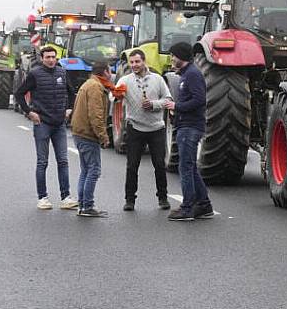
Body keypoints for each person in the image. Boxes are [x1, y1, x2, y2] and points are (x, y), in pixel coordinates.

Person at [14, 46, 78, 210]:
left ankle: (66, 197)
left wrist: (69, 108)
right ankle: (42, 198)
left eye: (53, 57)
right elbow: (19, 94)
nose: (51, 60)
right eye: (47, 57)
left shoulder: (62, 73)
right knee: (42, 162)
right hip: (42, 123)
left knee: (63, 161)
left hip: (59, 124)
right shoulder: (35, 74)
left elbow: (72, 93)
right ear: (42, 58)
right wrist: (29, 112)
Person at [115, 49, 173, 211]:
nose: (134, 65)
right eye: (131, 62)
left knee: (159, 165)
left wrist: (154, 104)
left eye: (137, 62)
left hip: (156, 128)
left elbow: (168, 99)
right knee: (132, 166)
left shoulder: (158, 79)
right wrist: (117, 96)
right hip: (135, 128)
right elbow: (115, 95)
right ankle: (130, 200)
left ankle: (162, 197)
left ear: (144, 61)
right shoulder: (125, 80)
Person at [166, 42, 213, 221]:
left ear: (182, 57)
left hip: (190, 127)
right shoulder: (186, 74)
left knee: (185, 167)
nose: (171, 59)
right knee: (190, 167)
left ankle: (187, 207)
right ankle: (204, 204)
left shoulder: (192, 74)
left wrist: (176, 106)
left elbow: (199, 100)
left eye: (173, 56)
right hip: (185, 125)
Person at [70, 61, 112, 218]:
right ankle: (87, 205)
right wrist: (103, 136)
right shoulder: (95, 87)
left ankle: (82, 204)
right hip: (87, 134)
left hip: (79, 132)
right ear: (105, 72)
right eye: (109, 71)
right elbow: (96, 115)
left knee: (86, 170)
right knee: (94, 170)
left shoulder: (88, 83)